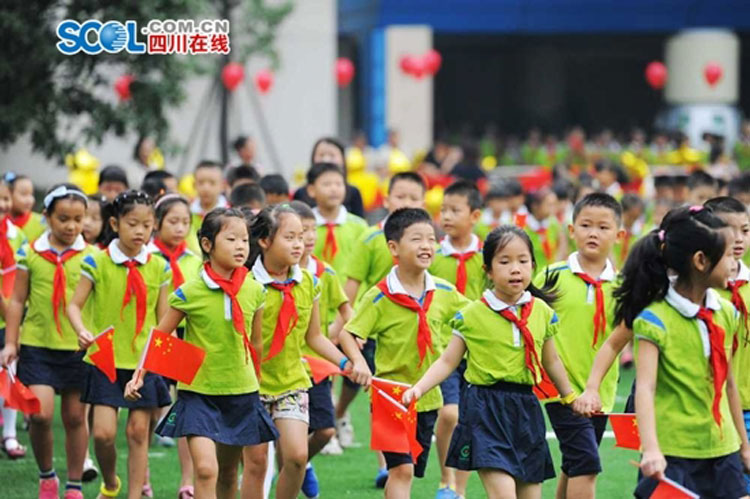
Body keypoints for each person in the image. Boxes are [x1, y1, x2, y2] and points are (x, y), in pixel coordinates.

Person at [403, 226, 584, 498]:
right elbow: (447, 361)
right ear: (488, 270)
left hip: (526, 409)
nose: (515, 269)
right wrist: (419, 388)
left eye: (523, 261)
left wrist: (569, 396)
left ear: (533, 266)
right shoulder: (471, 315)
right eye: (505, 261)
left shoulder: (542, 312)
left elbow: (552, 360)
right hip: (485, 409)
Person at [126, 207, 277, 499]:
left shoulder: (255, 290)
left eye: (244, 240)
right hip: (198, 393)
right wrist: (139, 375)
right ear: (207, 245)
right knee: (207, 469)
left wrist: (258, 380)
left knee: (230, 471)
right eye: (231, 239)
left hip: (241, 392)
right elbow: (160, 335)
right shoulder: (190, 291)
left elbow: (256, 343)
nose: (240, 247)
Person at [614, 206, 750, 497]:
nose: (734, 263)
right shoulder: (654, 319)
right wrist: (651, 448)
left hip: (722, 447)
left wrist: (744, 445)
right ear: (701, 261)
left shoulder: (726, 312)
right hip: (674, 452)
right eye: (728, 256)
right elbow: (646, 388)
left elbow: (728, 384)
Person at [240, 204, 368, 499]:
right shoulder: (247, 284)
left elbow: (315, 337)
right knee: (257, 463)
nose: (299, 244)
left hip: (292, 381)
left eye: (302, 236)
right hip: (251, 385)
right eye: (290, 237)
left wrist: (346, 362)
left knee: (297, 457)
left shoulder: (309, 282)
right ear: (264, 241)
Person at [342, 208, 470, 499]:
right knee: (402, 470)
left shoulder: (445, 292)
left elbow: (475, 319)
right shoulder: (379, 296)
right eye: (416, 239)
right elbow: (347, 333)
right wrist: (359, 360)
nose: (427, 245)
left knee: (409, 468)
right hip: (391, 396)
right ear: (393, 247)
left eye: (431, 239)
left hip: (428, 397)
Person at [67, 190, 172, 499]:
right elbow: (74, 305)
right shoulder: (96, 262)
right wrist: (83, 331)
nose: (140, 231)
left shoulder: (159, 267)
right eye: (132, 224)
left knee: (139, 433)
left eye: (147, 225)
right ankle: (111, 483)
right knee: (103, 434)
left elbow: (164, 319)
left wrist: (166, 361)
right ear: (115, 223)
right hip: (105, 359)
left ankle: (135, 495)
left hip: (144, 361)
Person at [1, 184, 92, 499]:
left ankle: (74, 485)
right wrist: (11, 343)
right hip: (38, 346)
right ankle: (47, 476)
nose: (71, 226)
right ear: (47, 217)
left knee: (76, 416)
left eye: (78, 219)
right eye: (63, 218)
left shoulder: (92, 257)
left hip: (79, 348)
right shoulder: (29, 253)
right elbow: (16, 300)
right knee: (39, 414)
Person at [337, 172, 426, 485]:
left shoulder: (428, 245)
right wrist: (346, 321)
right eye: (400, 196)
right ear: (387, 200)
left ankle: (390, 462)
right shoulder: (371, 240)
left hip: (413, 334)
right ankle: (383, 463)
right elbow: (352, 284)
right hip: (372, 327)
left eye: (413, 197)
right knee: (378, 394)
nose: (406, 203)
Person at [533, 193, 623, 499]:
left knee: (575, 463)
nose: (593, 233)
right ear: (572, 230)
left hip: (601, 391)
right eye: (585, 225)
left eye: (603, 227)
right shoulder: (550, 277)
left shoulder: (624, 286)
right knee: (586, 462)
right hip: (560, 389)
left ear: (619, 235)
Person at [289, 201, 352, 497]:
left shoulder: (324, 272)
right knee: (289, 433)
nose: (310, 237)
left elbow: (345, 310)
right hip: (285, 364)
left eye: (312, 230)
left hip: (317, 364)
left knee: (325, 430)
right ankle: (290, 467)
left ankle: (303, 465)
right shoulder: (275, 274)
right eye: (302, 232)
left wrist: (338, 336)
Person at [429, 180, 486, 498]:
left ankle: (459, 490)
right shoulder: (434, 256)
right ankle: (446, 478)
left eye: (455, 210)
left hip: (480, 350)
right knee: (449, 413)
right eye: (443, 210)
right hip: (445, 348)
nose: (446, 217)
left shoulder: (488, 255)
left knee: (469, 420)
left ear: (474, 215)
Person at [146, 193, 204, 496]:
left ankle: (187, 481)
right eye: (173, 221)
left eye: (186, 222)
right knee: (146, 410)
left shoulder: (195, 262)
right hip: (153, 337)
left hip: (186, 338)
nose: (180, 228)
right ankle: (142, 478)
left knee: (184, 408)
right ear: (156, 223)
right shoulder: (146, 258)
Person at [0, 178, 27, 460]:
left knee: (9, 373)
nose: (2, 205)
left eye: (5, 199)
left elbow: (18, 280)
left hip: (6, 319)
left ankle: (9, 434)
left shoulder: (16, 235)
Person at [307, 163, 368, 285]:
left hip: (352, 298)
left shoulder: (359, 226)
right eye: (327, 184)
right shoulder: (305, 226)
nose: (334, 189)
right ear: (311, 190)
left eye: (339, 184)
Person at [293, 137, 365, 218]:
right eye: (321, 155)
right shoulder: (301, 193)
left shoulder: (353, 192)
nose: (326, 159)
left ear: (342, 159)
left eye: (332, 155)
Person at [187, 161, 229, 255]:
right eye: (201, 183)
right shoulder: (187, 212)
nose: (206, 188)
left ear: (223, 186)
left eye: (212, 183)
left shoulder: (230, 214)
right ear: (194, 185)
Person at [518, 188, 561, 273]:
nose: (554, 208)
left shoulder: (554, 224)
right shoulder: (523, 228)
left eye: (555, 204)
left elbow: (561, 248)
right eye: (549, 205)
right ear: (535, 206)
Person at [4, 173, 46, 241]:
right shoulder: (2, 222)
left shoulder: (42, 222)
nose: (30, 199)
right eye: (24, 194)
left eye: (31, 194)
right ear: (8, 194)